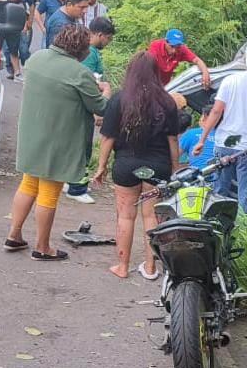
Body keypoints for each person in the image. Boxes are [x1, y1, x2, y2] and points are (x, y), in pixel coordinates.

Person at [5, 25, 110, 261]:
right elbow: (100, 107)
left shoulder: (37, 59)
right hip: (58, 139)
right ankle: (42, 247)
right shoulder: (78, 72)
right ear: (81, 49)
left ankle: (14, 234)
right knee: (49, 193)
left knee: (29, 184)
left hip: (32, 133)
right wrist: (105, 91)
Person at [92, 53, 184, 280]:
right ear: (157, 73)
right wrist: (174, 168)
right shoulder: (167, 101)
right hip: (158, 166)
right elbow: (173, 140)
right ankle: (151, 268)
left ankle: (122, 266)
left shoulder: (120, 99)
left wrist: (101, 167)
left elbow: (108, 138)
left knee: (125, 216)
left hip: (126, 165)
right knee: (152, 216)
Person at [193, 41, 247, 214]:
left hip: (224, 145)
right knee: (246, 198)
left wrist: (202, 140)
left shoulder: (230, 81)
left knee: (219, 192)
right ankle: (241, 237)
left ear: (246, 59)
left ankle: (216, 230)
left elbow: (217, 111)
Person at [63, 16, 115, 205]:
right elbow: (86, 83)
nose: (108, 43)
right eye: (108, 39)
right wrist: (98, 109)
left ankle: (71, 182)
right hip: (86, 105)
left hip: (86, 103)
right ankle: (77, 188)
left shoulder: (90, 52)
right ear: (100, 35)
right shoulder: (89, 54)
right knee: (81, 148)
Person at [146, 29, 211, 88]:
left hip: (166, 85)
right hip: (151, 82)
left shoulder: (181, 49)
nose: (174, 50)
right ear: (166, 41)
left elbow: (197, 60)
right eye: (172, 46)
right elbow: (149, 67)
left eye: (177, 47)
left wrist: (205, 73)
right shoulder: (155, 46)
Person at [179, 101, 217, 172]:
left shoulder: (191, 134)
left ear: (205, 116)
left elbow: (175, 156)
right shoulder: (224, 135)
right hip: (221, 175)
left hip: (198, 177)